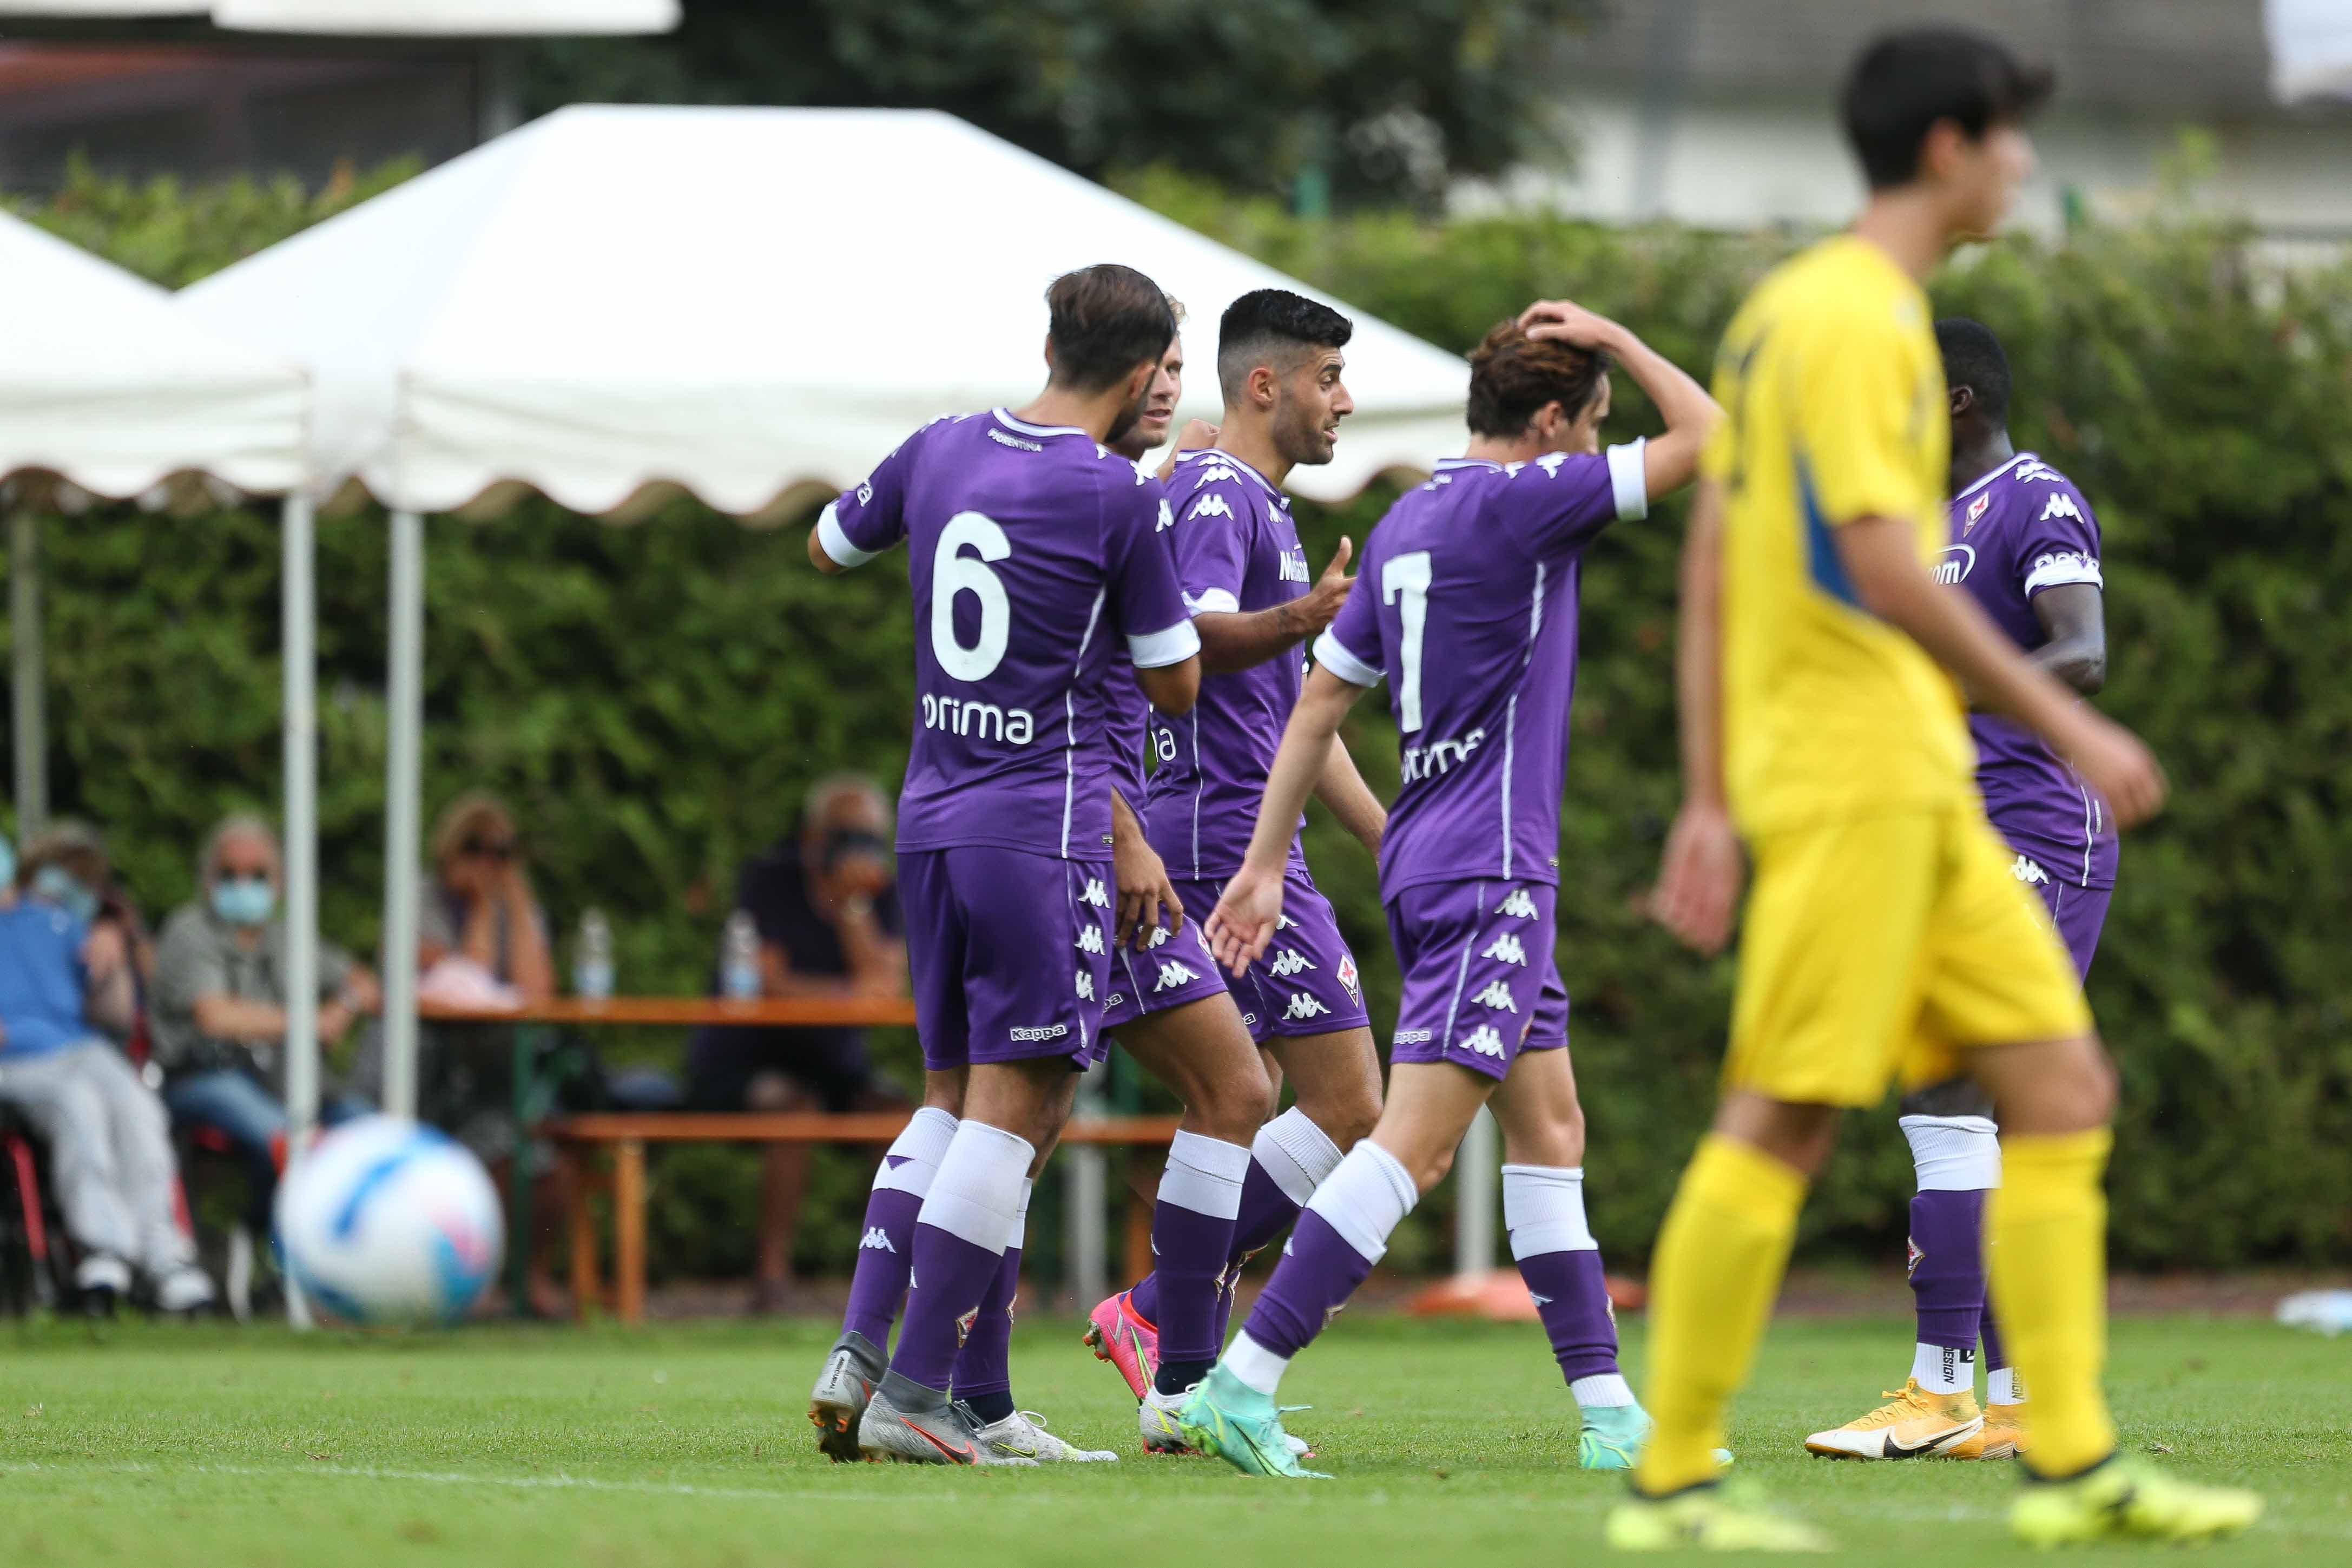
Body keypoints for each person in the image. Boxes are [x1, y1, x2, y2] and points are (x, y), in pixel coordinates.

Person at [1617, 28, 2257, 1549]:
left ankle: (2072, 1459)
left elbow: (1718, 551)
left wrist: (1709, 787)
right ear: (1951, 148)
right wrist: (2070, 721)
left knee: (2058, 1086)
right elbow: (1884, 560)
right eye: (2013, 141)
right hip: (1856, 785)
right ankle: (1677, 1478)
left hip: (1924, 785)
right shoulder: (1851, 322)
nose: (2025, 169)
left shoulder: (1810, 317)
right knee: (1781, 1116)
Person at [1180, 307, 1718, 1475]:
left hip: (1433, 854)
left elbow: (1318, 701)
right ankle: (1240, 1381)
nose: (1597, 448)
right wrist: (1619, 339)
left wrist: (1267, 862)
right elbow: (1715, 437)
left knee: (1549, 1127)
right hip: (1489, 869)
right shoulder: (1529, 501)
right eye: (1591, 426)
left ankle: (1607, 1411)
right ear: (1547, 423)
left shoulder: (1407, 521)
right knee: (1412, 1146)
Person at [804, 262, 1203, 1466]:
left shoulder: (937, 448)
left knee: (948, 1094)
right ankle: (918, 1390)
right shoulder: (1114, 496)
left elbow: (830, 547)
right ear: (1142, 375)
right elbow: (1178, 680)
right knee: (1017, 1107)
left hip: (928, 819)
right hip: (1041, 834)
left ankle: (868, 1347)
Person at [1804, 319, 2117, 1464]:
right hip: (1945, 833)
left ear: (1952, 402)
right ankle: (2023, 1405)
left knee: (1947, 1092)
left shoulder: (2034, 500)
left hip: (2036, 827)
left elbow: (2079, 651)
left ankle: (1941, 1395)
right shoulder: (1915, 527)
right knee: (1960, 1112)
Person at [1086, 290, 1393, 1440]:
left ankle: (1162, 1320)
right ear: (1264, 384)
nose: (1342, 402)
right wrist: (1305, 613)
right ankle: (1172, 1343)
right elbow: (1195, 644)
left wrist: (1386, 834)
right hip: (1220, 840)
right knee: (1296, 1099)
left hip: (1247, 833)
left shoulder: (1251, 500)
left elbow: (1300, 721)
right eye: (1325, 378)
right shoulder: (1220, 495)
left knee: (1320, 1100)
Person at [684, 774, 911, 1311]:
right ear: (814, 837)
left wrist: (852, 906)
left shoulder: (878, 893)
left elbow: (884, 989)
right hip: (749, 1056)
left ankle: (890, 1278)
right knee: (792, 1109)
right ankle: (772, 1277)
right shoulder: (770, 879)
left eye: (868, 839)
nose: (857, 850)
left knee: (900, 1121)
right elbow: (763, 979)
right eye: (845, 837)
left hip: (831, 1061)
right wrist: (847, 994)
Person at [0, 830, 214, 1313]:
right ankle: (105, 1250)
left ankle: (165, 1255)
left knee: (138, 1106)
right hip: (15, 1063)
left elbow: (116, 1015)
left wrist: (113, 950)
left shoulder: (64, 922)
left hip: (80, 1048)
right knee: (79, 1105)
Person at [149, 814, 379, 1247]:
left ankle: (285, 1243)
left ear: (279, 882)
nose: (244, 885)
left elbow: (364, 983)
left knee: (363, 1129)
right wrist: (311, 1022)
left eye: (257, 875)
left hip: (278, 1081)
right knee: (292, 1140)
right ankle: (277, 1250)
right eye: (229, 874)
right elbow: (215, 1017)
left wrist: (341, 1009)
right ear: (207, 880)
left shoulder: (285, 937)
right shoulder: (189, 930)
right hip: (200, 1078)